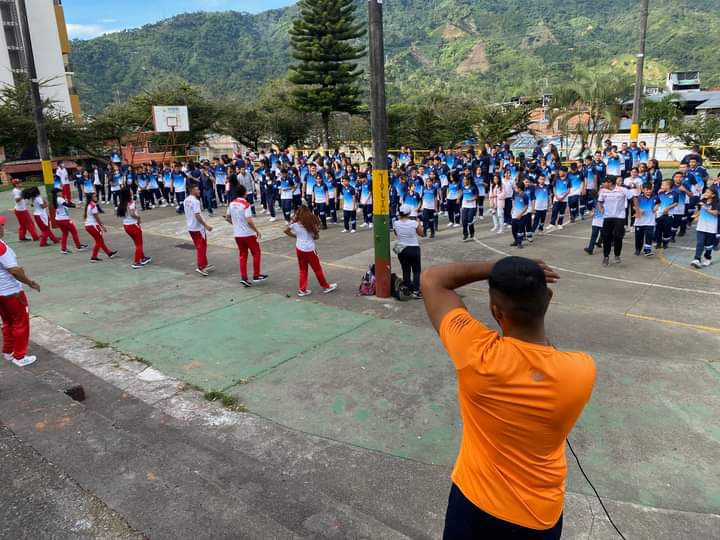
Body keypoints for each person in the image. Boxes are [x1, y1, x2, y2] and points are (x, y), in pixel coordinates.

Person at [420, 257, 595, 540]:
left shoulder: (476, 353)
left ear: (495, 312)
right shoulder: (582, 369)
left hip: (474, 505)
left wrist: (496, 267)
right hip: (540, 516)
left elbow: (433, 279)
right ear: (548, 299)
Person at [0, 215, 41, 367]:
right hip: (12, 292)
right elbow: (14, 271)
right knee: (20, 323)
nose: (3, 227)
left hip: (1, 293)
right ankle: (19, 356)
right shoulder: (1, 247)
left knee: (8, 322)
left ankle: (8, 351)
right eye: (2, 225)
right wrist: (30, 282)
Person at [284, 205, 337, 297]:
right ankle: (326, 286)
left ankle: (302, 289)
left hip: (299, 248)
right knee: (317, 269)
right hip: (309, 249)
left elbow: (286, 231)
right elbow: (316, 237)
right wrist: (315, 232)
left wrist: (296, 236)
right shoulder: (309, 224)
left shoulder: (294, 223)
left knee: (303, 269)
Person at [226, 185, 267, 287]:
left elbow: (227, 217)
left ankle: (244, 277)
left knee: (243, 255)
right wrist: (257, 230)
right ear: (244, 193)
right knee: (256, 253)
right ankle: (256, 275)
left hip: (237, 234)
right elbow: (249, 220)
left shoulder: (231, 204)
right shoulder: (246, 204)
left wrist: (235, 224)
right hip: (248, 234)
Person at [597, 176, 633, 266]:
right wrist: (600, 209)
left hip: (619, 217)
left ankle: (617, 255)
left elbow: (633, 197)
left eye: (604, 182)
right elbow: (599, 202)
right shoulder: (603, 191)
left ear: (610, 182)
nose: (602, 184)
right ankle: (606, 257)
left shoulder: (622, 190)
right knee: (606, 238)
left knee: (618, 237)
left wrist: (637, 209)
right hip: (607, 217)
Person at [392, 204, 424, 299]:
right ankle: (416, 291)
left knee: (405, 270)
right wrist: (420, 224)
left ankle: (408, 289)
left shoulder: (396, 223)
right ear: (409, 213)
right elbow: (422, 234)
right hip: (413, 247)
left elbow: (396, 234)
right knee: (416, 271)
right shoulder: (414, 223)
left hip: (401, 247)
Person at [117, 186, 152, 269]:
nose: (131, 191)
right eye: (130, 190)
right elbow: (132, 214)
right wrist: (138, 218)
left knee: (137, 243)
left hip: (126, 226)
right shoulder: (131, 202)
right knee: (139, 244)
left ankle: (142, 258)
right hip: (133, 226)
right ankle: (136, 262)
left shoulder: (122, 202)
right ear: (128, 193)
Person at [184, 185, 214, 276]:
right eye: (197, 189)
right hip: (198, 228)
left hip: (190, 227)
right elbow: (197, 215)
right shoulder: (195, 201)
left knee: (200, 247)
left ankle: (204, 264)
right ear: (192, 190)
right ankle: (201, 266)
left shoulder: (186, 200)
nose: (199, 191)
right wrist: (206, 226)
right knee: (202, 247)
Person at [51, 188, 88, 255]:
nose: (61, 192)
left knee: (65, 233)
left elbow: (66, 204)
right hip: (64, 219)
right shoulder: (59, 199)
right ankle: (78, 246)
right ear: (57, 193)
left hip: (58, 219)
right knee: (74, 232)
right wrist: (75, 206)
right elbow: (67, 205)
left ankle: (63, 248)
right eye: (60, 192)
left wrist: (73, 205)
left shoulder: (55, 199)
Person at [690, 188, 719, 268]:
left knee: (708, 245)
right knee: (700, 243)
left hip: (711, 227)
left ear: (713, 195)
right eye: (705, 192)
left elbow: (716, 213)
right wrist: (695, 216)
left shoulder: (717, 203)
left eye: (708, 192)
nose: (705, 193)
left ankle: (708, 258)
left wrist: (705, 207)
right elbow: (699, 211)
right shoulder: (702, 201)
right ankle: (697, 259)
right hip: (701, 226)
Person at [84, 193, 117, 263]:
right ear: (91, 198)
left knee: (100, 240)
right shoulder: (93, 206)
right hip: (93, 226)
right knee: (99, 241)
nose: (96, 197)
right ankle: (93, 257)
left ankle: (109, 253)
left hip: (89, 225)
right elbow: (97, 218)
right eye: (95, 196)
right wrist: (102, 226)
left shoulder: (89, 205)